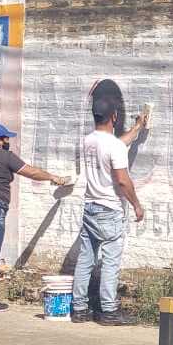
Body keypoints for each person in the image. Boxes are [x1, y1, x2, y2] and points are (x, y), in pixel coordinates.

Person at [0, 123, 70, 312]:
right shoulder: (5, 156)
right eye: (6, 138)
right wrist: (53, 177)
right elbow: (30, 171)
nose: (8, 141)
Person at [71, 92, 147, 326]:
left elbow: (116, 145)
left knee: (86, 259)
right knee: (111, 261)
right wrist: (136, 204)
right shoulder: (113, 146)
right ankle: (109, 310)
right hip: (110, 209)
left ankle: (80, 309)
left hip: (90, 206)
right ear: (114, 116)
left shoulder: (87, 141)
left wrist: (136, 128)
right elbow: (123, 180)